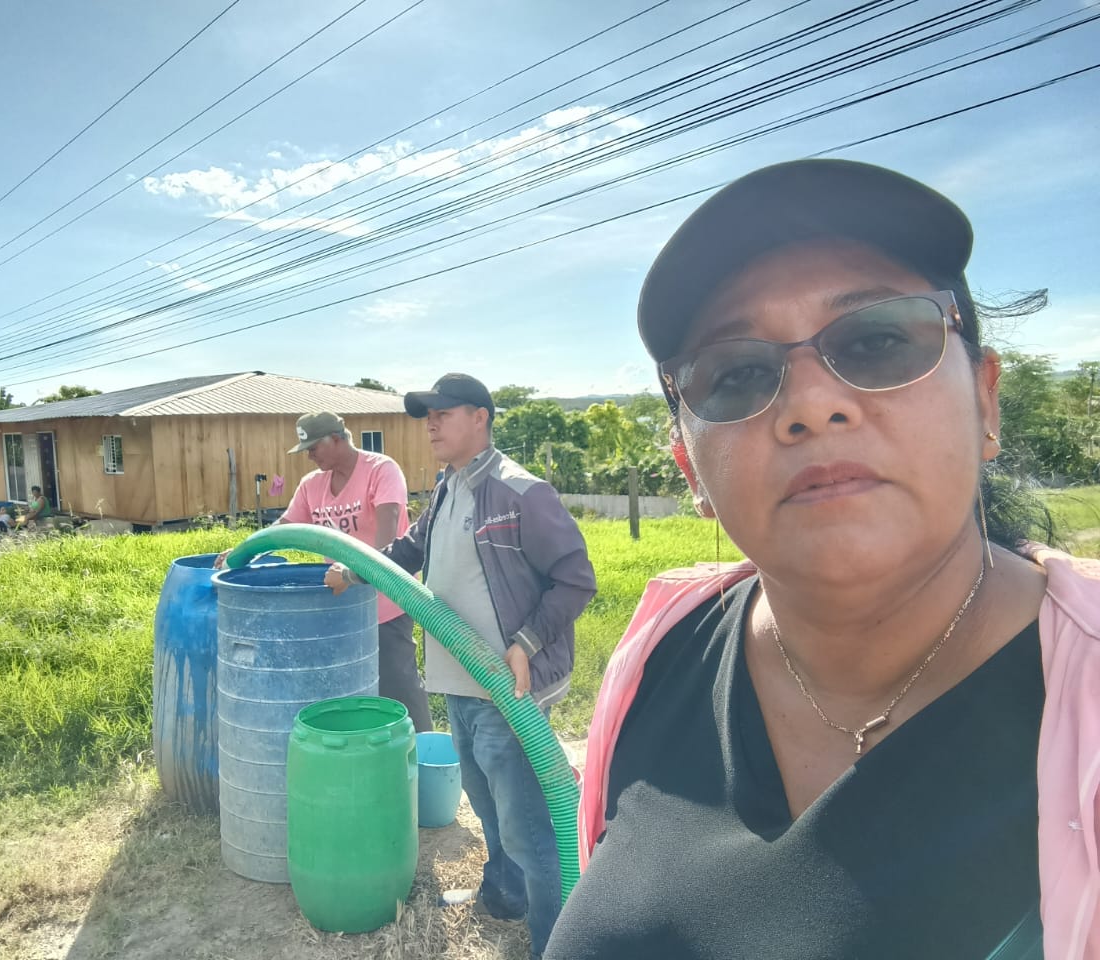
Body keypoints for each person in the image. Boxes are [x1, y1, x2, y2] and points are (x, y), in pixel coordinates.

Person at [545, 159, 1100, 960]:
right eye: (738, 374)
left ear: (985, 400)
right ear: (691, 470)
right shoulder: (660, 647)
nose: (810, 404)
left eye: (877, 341)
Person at [327, 374, 597, 960]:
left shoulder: (520, 492)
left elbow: (576, 579)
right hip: (459, 683)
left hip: (506, 690)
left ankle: (555, 942)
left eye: (443, 413)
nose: (430, 425)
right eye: (426, 416)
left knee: (529, 827)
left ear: (480, 417)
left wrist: (525, 642)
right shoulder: (449, 487)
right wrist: (354, 569)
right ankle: (506, 896)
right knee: (486, 801)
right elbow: (409, 550)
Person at [278, 410, 433, 733]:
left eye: (313, 448)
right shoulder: (312, 485)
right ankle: (369, 749)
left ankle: (422, 749)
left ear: (336, 439)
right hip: (341, 604)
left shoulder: (380, 470)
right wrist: (247, 548)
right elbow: (286, 526)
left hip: (386, 601)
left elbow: (388, 538)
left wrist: (355, 573)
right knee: (349, 687)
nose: (309, 456)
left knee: (398, 683)